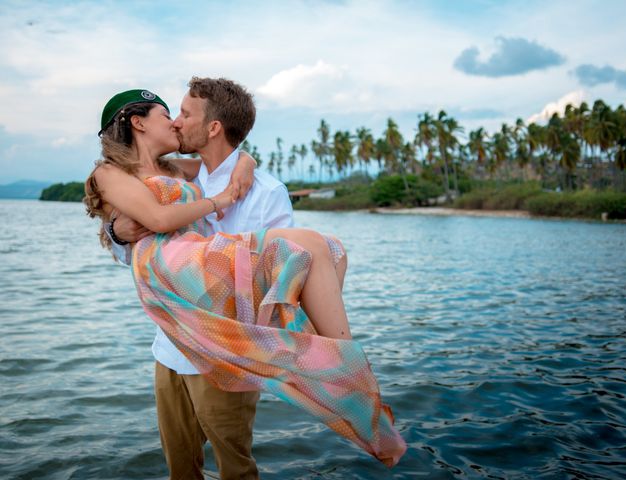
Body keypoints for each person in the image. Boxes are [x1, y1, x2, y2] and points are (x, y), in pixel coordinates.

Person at [84, 83, 406, 476]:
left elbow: (291, 272)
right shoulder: (160, 175)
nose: (177, 122)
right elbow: (142, 240)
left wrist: (245, 162)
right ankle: (338, 367)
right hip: (171, 343)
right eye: (170, 114)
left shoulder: (260, 190)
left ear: (214, 126)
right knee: (180, 467)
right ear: (138, 123)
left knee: (234, 465)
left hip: (231, 349)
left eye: (184, 114)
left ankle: (343, 369)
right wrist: (117, 232)